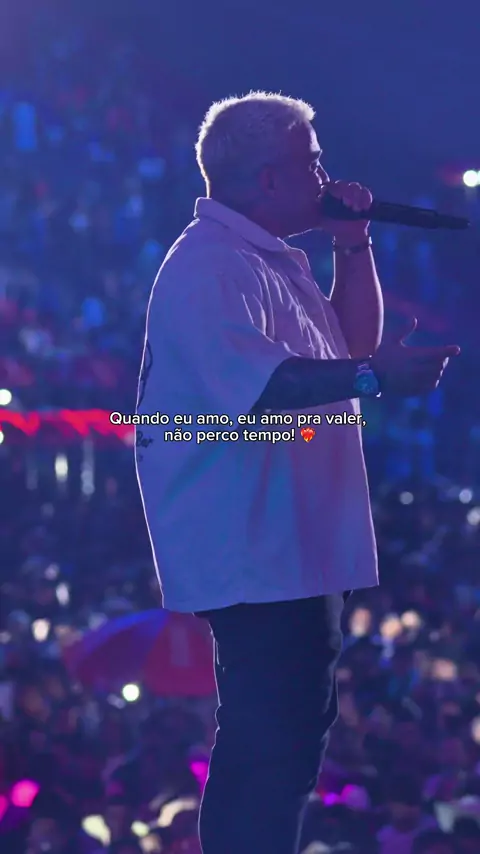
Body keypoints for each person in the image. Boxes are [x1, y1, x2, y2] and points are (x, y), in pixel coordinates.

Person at [134, 91, 460, 854]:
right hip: (254, 544)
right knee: (268, 744)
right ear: (269, 179)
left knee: (288, 733)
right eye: (312, 162)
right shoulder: (210, 267)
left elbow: (348, 346)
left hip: (289, 540)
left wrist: (354, 245)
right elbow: (262, 385)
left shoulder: (267, 261)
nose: (325, 175)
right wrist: (375, 379)